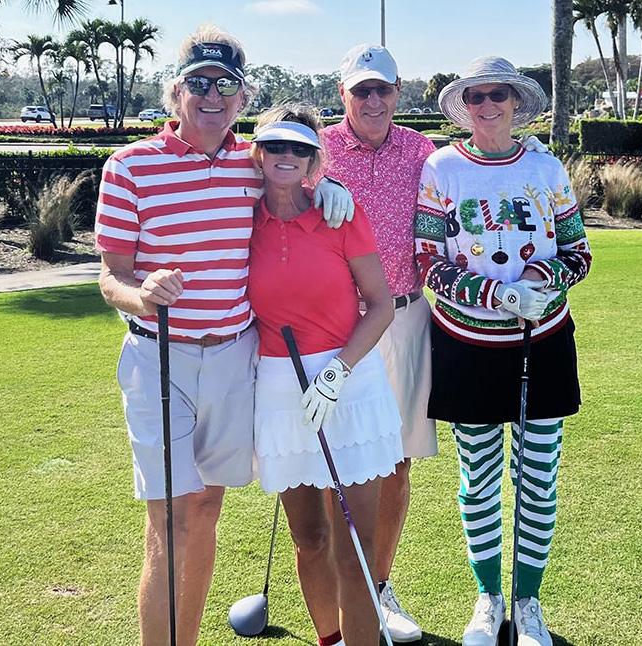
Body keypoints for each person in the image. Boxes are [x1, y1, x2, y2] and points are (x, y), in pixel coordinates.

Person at [94, 25, 352, 645]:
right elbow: (110, 275)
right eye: (199, 83)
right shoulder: (129, 167)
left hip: (236, 358)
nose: (212, 96)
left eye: (226, 85)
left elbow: (295, 175)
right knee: (171, 521)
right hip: (161, 359)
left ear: (242, 97)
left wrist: (327, 184)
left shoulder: (252, 164)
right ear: (176, 92)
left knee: (206, 509)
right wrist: (141, 293)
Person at [415, 57, 592, 646]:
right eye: (476, 97)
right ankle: (488, 599)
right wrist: (496, 294)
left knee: (538, 479)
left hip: (542, 341)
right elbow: (427, 262)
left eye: (498, 95)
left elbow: (579, 252)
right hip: (467, 345)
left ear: (516, 102)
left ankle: (528, 602)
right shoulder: (441, 168)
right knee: (479, 481)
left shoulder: (546, 167)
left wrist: (542, 279)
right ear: (464, 107)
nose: (487, 105)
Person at [248, 105, 404, 646]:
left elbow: (381, 305)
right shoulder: (242, 215)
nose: (286, 155)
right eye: (275, 145)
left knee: (353, 548)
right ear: (258, 153)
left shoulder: (340, 214)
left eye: (300, 148)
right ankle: (330, 639)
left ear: (315, 158)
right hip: (279, 388)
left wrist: (338, 370)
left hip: (348, 382)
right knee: (310, 538)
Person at [321, 43, 438, 643]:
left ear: (398, 93)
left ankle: (378, 586)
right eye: (361, 90)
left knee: (395, 464)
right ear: (343, 93)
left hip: (406, 317)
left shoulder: (423, 152)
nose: (372, 100)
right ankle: (335, 589)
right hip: (334, 329)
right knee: (331, 464)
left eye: (382, 89)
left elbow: (474, 174)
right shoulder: (316, 149)